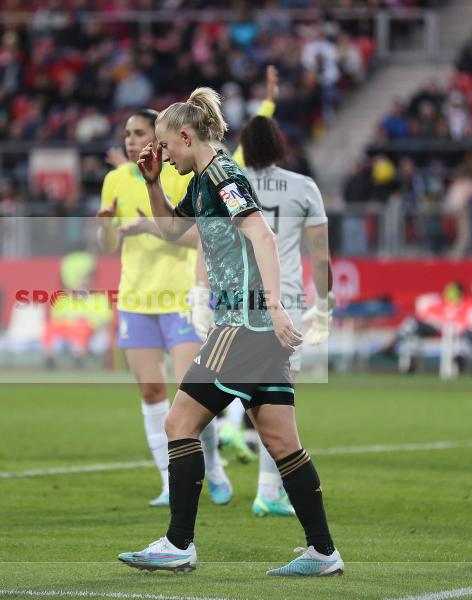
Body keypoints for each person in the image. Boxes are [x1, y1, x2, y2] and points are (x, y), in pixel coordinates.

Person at [118, 88, 343, 576]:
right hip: (254, 325)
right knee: (281, 440)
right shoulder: (199, 181)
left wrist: (275, 307)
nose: (162, 155)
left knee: (179, 424)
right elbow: (174, 233)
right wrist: (154, 184)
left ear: (184, 135)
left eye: (165, 147)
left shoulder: (221, 173)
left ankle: (179, 544)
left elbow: (261, 233)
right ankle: (323, 552)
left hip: (245, 322)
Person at [192, 114, 333, 518]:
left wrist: (200, 293)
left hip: (236, 299)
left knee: (213, 388)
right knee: (280, 400)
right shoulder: (302, 187)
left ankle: (221, 454)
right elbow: (321, 253)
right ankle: (269, 490)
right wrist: (325, 305)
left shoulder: (225, 180)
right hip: (282, 301)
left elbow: (208, 241)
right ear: (280, 145)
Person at [96, 108, 232, 507]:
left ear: (159, 138)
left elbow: (199, 239)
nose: (131, 140)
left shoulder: (177, 172)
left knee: (187, 392)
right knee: (151, 391)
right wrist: (105, 225)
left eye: (140, 133)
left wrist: (147, 226)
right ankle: (169, 481)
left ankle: (215, 468)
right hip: (136, 299)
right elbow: (107, 246)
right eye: (127, 133)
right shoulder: (115, 180)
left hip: (180, 296)